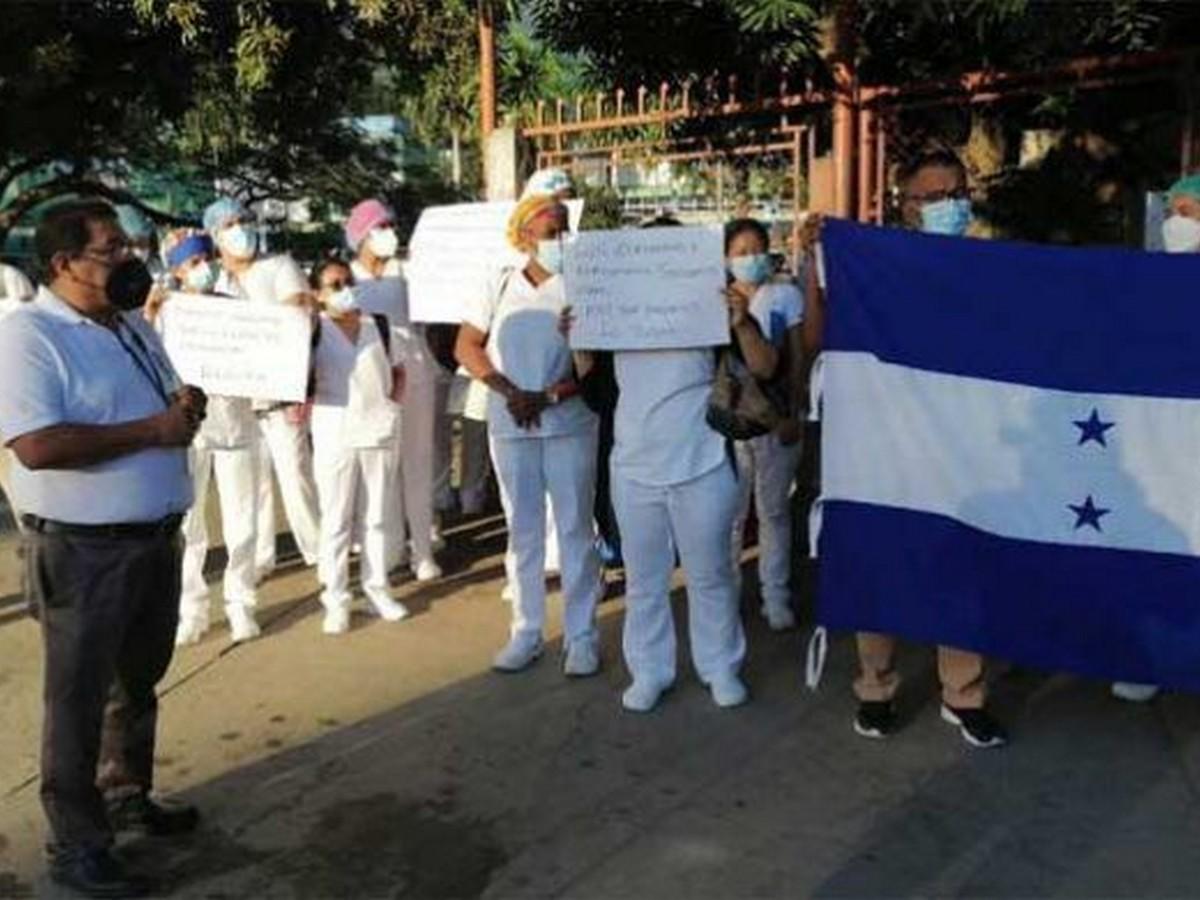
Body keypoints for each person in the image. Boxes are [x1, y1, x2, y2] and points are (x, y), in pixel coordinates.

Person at [0, 200, 204, 897]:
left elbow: (161, 405)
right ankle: (77, 848)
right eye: (110, 249)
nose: (127, 259)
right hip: (85, 553)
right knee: (78, 699)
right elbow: (36, 444)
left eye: (127, 245)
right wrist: (154, 431)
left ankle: (125, 796)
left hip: (153, 541)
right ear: (64, 264)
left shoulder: (128, 326)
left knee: (135, 685)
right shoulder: (30, 336)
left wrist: (185, 408)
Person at [804, 148, 1007, 749]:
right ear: (906, 204)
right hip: (883, 440)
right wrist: (812, 259)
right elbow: (819, 341)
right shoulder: (871, 265)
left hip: (964, 441)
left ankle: (963, 694)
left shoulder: (990, 266)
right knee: (882, 556)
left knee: (960, 562)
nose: (949, 206)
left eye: (957, 193)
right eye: (934, 196)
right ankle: (875, 687)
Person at [565, 220, 780, 713]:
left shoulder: (714, 311)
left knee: (710, 575)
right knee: (644, 580)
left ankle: (720, 665)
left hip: (702, 462)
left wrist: (743, 321)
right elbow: (599, 397)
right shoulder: (615, 318)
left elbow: (767, 369)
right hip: (634, 467)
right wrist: (580, 345)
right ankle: (650, 670)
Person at [455, 194, 604, 674]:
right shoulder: (498, 284)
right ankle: (526, 631)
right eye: (548, 229)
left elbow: (595, 366)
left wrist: (549, 396)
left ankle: (581, 636)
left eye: (563, 229)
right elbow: (467, 345)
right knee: (523, 531)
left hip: (569, 424)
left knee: (576, 529)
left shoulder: (582, 283)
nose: (558, 238)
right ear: (523, 236)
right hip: (512, 424)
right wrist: (509, 391)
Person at [1108, 173, 1200, 701]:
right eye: (1173, 212)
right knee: (1157, 546)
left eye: (1190, 214)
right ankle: (1149, 658)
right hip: (1157, 444)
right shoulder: (1144, 285)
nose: (1177, 225)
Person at [147, 229, 262, 645]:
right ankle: (191, 609)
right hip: (189, 434)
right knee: (190, 527)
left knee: (242, 523)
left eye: (206, 259)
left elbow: (265, 356)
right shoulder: (166, 314)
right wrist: (151, 316)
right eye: (192, 262)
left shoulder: (236, 309)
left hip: (235, 426)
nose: (203, 268)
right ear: (177, 270)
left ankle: (241, 603)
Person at [202, 197, 321, 578]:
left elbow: (302, 322)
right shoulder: (214, 281)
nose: (241, 229)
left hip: (281, 397)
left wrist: (300, 385)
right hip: (236, 405)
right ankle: (260, 558)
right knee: (254, 488)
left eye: (244, 220)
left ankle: (320, 553)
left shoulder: (279, 267)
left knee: (295, 475)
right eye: (231, 224)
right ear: (216, 236)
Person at [310, 258, 412, 633]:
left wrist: (392, 407)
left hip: (378, 431)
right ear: (319, 295)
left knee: (377, 516)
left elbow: (400, 372)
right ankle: (336, 598)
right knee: (336, 519)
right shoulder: (314, 332)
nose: (344, 289)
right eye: (334, 285)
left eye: (347, 281)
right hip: (334, 433)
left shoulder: (379, 326)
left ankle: (377, 589)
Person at [344, 198, 443, 582]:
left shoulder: (408, 270)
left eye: (389, 226)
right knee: (381, 466)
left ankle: (423, 549)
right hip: (370, 375)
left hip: (415, 367)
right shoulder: (348, 278)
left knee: (418, 462)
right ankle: (387, 550)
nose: (388, 234)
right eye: (379, 228)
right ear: (361, 237)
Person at [725, 218, 806, 633]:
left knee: (773, 511)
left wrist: (794, 412)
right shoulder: (716, 303)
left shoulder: (785, 295)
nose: (750, 258)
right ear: (725, 258)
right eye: (740, 252)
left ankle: (775, 596)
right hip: (733, 429)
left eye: (757, 249)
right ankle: (728, 596)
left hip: (778, 427)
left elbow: (796, 358)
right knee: (732, 515)